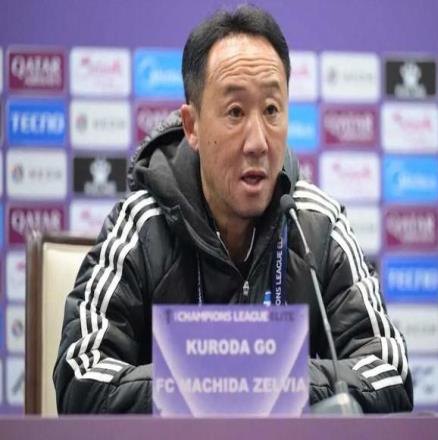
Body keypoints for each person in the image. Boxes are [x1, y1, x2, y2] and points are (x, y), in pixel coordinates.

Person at [54, 5, 413, 413]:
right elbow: (79, 379)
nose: (257, 142)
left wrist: (268, 379)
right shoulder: (141, 228)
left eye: (272, 110)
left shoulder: (317, 225)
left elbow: (390, 374)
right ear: (192, 126)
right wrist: (217, 381)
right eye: (235, 112)